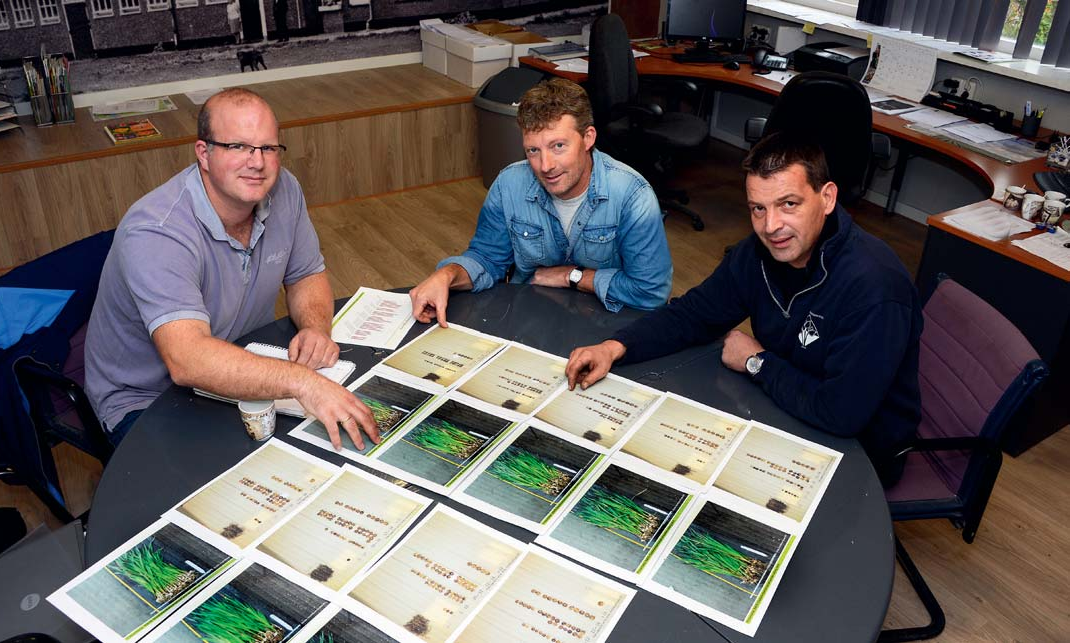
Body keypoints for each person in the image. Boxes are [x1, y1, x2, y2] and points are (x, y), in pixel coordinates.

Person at [564, 133, 922, 486]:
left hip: (860, 455)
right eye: (758, 209)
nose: (771, 226)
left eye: (789, 205)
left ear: (827, 198)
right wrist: (613, 348)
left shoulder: (875, 286)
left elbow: (842, 413)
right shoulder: (759, 253)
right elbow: (693, 315)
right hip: (786, 410)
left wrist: (757, 362)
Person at [85, 88, 377, 451]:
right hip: (148, 400)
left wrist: (316, 328)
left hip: (240, 361)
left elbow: (305, 273)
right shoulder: (157, 230)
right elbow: (187, 359)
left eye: (268, 148)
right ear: (204, 154)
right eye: (238, 146)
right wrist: (303, 382)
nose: (257, 162)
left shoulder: (285, 189)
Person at [409, 78, 672, 325]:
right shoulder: (509, 184)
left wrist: (573, 276)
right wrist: (446, 275)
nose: (545, 166)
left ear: (588, 138)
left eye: (558, 146)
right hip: (529, 318)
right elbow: (487, 259)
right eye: (533, 150)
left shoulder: (632, 195)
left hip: (605, 323)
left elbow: (650, 293)